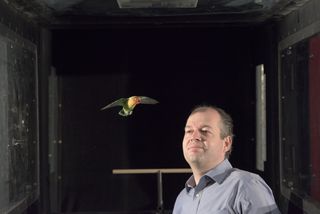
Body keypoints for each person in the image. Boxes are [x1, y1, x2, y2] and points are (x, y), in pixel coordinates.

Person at [173, 105, 280, 214]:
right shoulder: (182, 199)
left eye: (204, 131)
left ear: (226, 143)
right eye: (189, 131)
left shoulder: (245, 185)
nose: (194, 136)